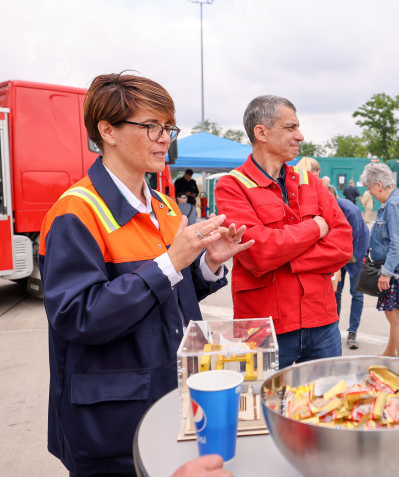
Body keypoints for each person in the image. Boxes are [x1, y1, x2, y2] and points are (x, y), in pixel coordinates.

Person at [39, 72, 253, 477]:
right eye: (151, 126)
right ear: (108, 131)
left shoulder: (166, 207)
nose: (164, 137)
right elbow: (78, 316)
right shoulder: (75, 212)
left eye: (168, 127)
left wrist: (207, 265)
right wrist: (171, 262)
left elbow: (170, 293)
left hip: (175, 399)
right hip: (112, 420)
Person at [214, 95, 352, 369]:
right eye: (290, 128)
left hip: (322, 323)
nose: (300, 136)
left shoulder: (308, 181)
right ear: (261, 132)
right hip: (262, 327)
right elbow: (258, 252)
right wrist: (315, 227)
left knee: (326, 405)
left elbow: (343, 245)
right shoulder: (232, 186)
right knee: (261, 408)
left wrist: (284, 256)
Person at [361, 162, 399, 358]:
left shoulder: (394, 204)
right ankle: (389, 353)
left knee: (396, 318)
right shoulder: (394, 202)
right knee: (394, 316)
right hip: (398, 269)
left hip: (397, 270)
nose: (371, 195)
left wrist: (386, 273)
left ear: (378, 185)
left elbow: (397, 244)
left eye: (370, 189)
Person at [334, 187, 370, 349]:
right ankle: (333, 330)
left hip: (356, 251)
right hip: (338, 253)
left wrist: (339, 265)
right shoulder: (324, 209)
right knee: (335, 291)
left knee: (356, 294)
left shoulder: (349, 211)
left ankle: (352, 332)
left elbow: (353, 240)